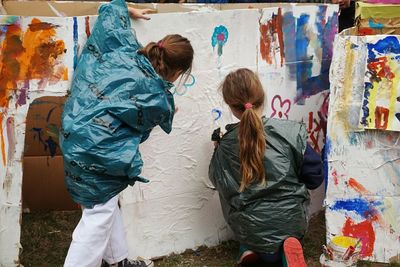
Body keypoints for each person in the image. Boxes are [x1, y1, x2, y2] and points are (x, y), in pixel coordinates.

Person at [60, 0, 194, 266]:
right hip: (96, 154)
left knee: (105, 203)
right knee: (97, 217)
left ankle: (118, 260)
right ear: (178, 72)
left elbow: (109, 15)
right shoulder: (157, 97)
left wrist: (126, 9)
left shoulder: (123, 48)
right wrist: (167, 112)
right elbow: (147, 126)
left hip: (74, 133)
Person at [208, 69, 324, 267]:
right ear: (262, 96)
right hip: (291, 223)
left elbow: (220, 184)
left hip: (249, 228)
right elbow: (314, 178)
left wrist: (219, 151)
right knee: (286, 235)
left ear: (231, 106)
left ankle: (249, 250)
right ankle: (287, 246)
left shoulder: (225, 144)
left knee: (242, 214)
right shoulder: (291, 132)